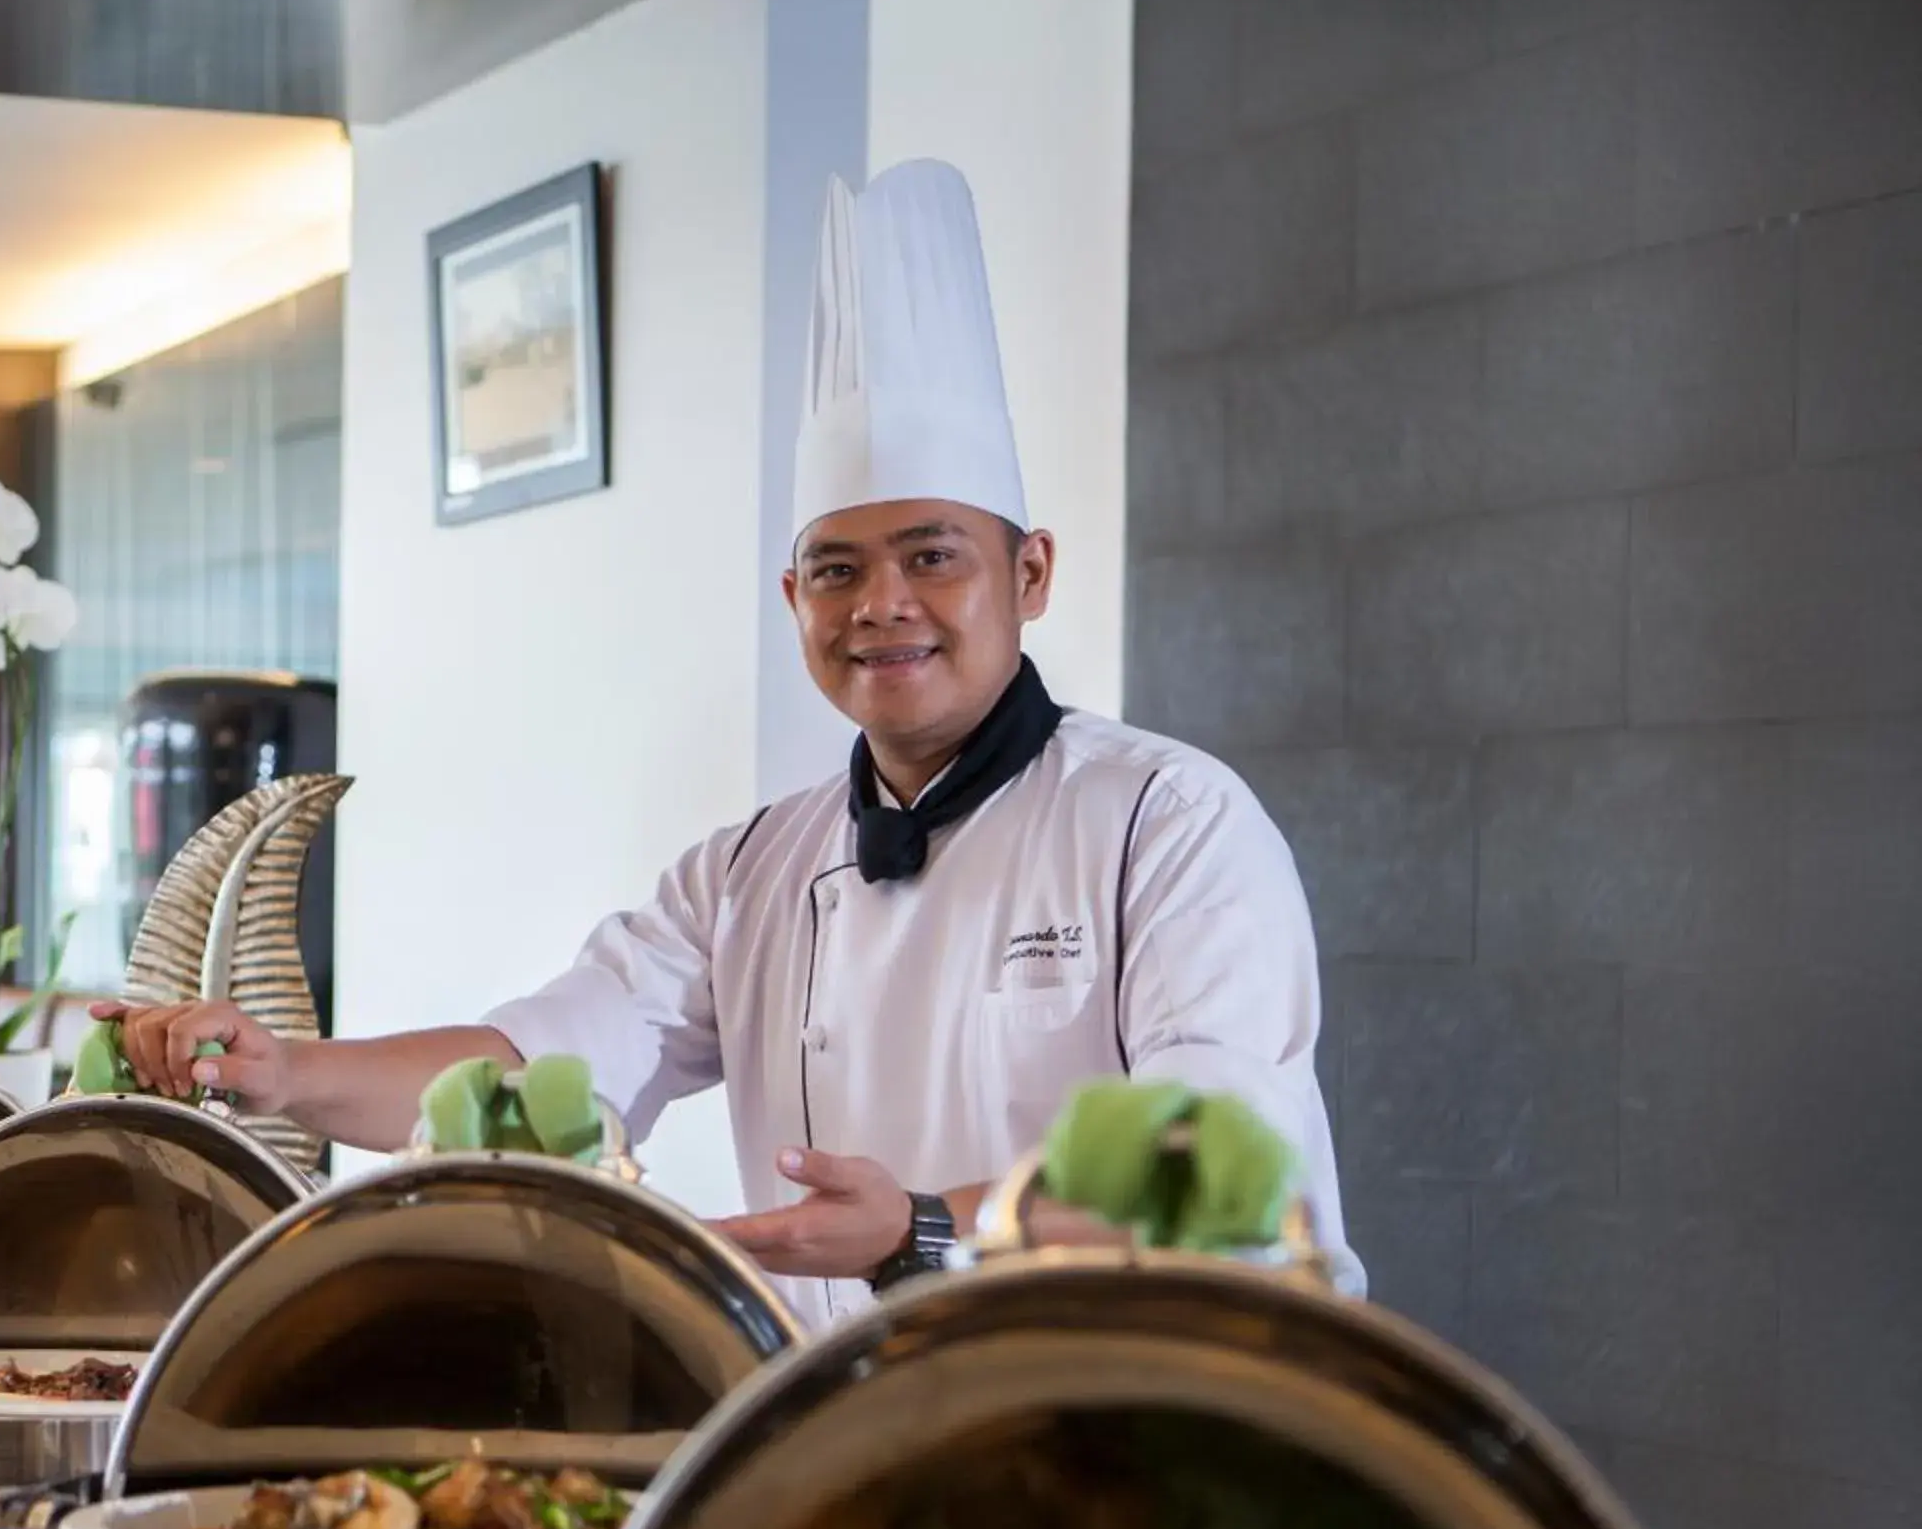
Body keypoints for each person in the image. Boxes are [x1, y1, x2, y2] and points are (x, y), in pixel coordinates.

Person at [95, 158, 1352, 1325]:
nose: (882, 604)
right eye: (837, 568)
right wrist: (280, 1071)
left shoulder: (1170, 821)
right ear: (793, 598)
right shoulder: (751, 868)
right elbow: (528, 1066)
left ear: (1030, 574)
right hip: (864, 1442)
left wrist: (922, 1227)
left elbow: (1220, 1168)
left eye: (933, 557)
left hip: (1177, 1430)